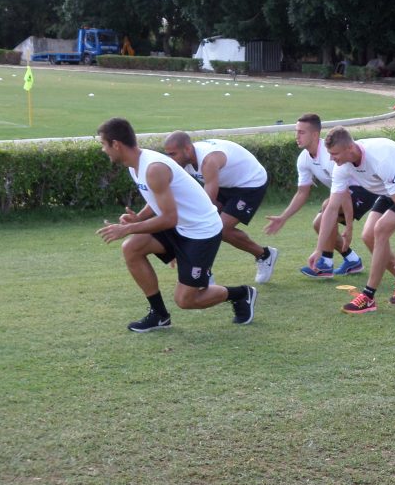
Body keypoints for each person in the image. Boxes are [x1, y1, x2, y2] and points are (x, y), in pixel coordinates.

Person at [94, 118, 257, 331]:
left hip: (202, 231)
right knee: (132, 248)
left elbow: (169, 218)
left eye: (104, 144)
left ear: (116, 144)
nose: (103, 150)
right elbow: (159, 202)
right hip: (179, 226)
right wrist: (138, 219)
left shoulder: (153, 168)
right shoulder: (135, 166)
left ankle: (242, 294)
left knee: (186, 300)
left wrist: (126, 229)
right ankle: (159, 315)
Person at [308, 126, 395, 314]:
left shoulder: (381, 158)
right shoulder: (341, 166)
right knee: (368, 236)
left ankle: (368, 297)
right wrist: (319, 249)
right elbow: (332, 209)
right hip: (388, 190)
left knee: (380, 230)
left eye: (335, 154)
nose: (332, 159)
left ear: (350, 148)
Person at [263, 113, 375, 277]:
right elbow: (302, 193)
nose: (297, 136)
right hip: (343, 194)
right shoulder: (303, 159)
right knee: (319, 224)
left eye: (302, 132)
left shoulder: (330, 154)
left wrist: (349, 226)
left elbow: (343, 193)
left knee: (325, 211)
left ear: (315, 135)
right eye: (296, 131)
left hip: (364, 190)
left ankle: (326, 264)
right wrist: (283, 217)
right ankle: (352, 260)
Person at [163, 132, 279, 284]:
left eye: (173, 154)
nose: (170, 159)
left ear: (187, 149)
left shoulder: (209, 161)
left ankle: (264, 255)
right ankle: (204, 271)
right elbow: (171, 192)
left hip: (250, 183)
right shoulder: (182, 162)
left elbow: (206, 206)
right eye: (168, 155)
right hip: (225, 183)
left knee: (221, 228)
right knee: (205, 226)